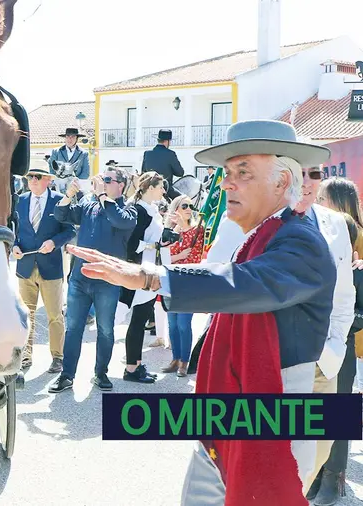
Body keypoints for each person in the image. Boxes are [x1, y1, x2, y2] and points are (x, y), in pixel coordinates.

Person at [66, 119, 336, 505]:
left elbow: (245, 284)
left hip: (275, 405)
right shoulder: (266, 233)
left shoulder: (300, 238)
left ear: (281, 183)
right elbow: (226, 276)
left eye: (243, 173)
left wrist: (148, 276)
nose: (227, 184)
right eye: (227, 173)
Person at [50, 166, 137, 393]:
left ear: (120, 185)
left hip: (107, 281)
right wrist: (69, 196)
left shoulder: (127, 209)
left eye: (108, 180)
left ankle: (101, 373)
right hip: (80, 278)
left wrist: (101, 196)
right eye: (102, 179)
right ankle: (67, 375)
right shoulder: (89, 205)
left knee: (105, 330)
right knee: (73, 329)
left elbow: (121, 221)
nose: (103, 183)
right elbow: (62, 215)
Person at [307, 177, 363, 505]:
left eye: (323, 197)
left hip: (343, 335)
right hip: (318, 334)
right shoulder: (321, 232)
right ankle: (317, 473)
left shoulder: (353, 235)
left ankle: (333, 475)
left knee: (338, 407)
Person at [11, 166, 76, 373]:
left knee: (54, 315)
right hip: (25, 267)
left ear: (48, 180)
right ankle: (25, 356)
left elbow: (69, 230)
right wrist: (14, 246)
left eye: (37, 177)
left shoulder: (59, 200)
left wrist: (54, 242)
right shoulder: (19, 200)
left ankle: (58, 357)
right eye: (29, 177)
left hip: (51, 268)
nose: (32, 180)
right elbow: (11, 228)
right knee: (25, 315)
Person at [119, 172, 167, 384]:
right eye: (161, 187)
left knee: (140, 318)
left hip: (150, 269)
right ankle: (131, 368)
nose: (164, 190)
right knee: (136, 320)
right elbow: (130, 244)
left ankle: (136, 365)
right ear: (150, 188)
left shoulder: (150, 208)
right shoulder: (139, 209)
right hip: (140, 271)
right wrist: (154, 244)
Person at [162, 195, 205, 376]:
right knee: (172, 324)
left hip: (188, 281)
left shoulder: (197, 230)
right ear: (176, 209)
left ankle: (184, 362)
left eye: (190, 205)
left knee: (183, 324)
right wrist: (178, 254)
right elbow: (164, 257)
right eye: (184, 206)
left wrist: (184, 229)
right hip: (171, 280)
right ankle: (175, 358)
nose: (188, 208)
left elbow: (194, 258)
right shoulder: (170, 231)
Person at [141, 128, 184, 199]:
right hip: (165, 189)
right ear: (168, 141)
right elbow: (180, 173)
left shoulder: (147, 153)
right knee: (184, 200)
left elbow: (143, 172)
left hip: (148, 190)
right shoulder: (170, 154)